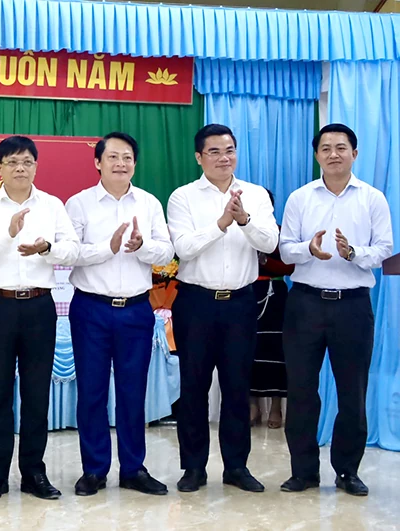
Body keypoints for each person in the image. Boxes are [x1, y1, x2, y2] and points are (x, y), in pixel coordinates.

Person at [279, 124, 393, 496]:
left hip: (353, 307)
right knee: (301, 391)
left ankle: (347, 471)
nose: (333, 154)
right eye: (325, 148)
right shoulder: (300, 197)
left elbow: (384, 250)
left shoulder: (373, 198)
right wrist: (307, 250)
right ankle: (304, 472)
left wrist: (354, 254)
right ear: (317, 156)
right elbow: (284, 249)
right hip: (306, 304)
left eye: (341, 147)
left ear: (354, 154)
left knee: (352, 392)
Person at [0, 135, 80, 501]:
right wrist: (6, 235)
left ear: (36, 166)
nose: (20, 168)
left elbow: (72, 249)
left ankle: (34, 473)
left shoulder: (52, 205)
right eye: (12, 162)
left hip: (39, 308)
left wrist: (46, 248)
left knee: (36, 395)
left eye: (27, 161)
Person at [166, 124, 278, 493]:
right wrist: (221, 224)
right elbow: (183, 247)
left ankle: (236, 467)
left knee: (236, 387)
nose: (223, 157)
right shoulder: (183, 197)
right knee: (194, 387)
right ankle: (194, 468)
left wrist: (243, 219)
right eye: (214, 151)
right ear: (199, 157)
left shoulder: (256, 195)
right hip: (196, 303)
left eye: (229, 150)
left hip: (241, 304)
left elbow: (271, 240)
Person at [65, 133, 174, 497]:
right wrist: (106, 248)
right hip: (91, 309)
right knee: (92, 393)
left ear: (134, 163)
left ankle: (133, 469)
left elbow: (167, 250)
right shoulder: (79, 204)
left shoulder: (148, 202)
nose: (120, 163)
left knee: (132, 392)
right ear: (97, 163)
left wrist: (141, 247)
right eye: (112, 157)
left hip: (136, 310)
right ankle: (94, 470)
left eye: (127, 157)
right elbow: (69, 253)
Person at [249, 189, 294, 429]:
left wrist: (266, 261)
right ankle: (252, 405)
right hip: (244, 294)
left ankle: (276, 407)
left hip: (274, 295)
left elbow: (291, 266)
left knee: (276, 351)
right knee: (247, 351)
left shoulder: (278, 231)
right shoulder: (238, 230)